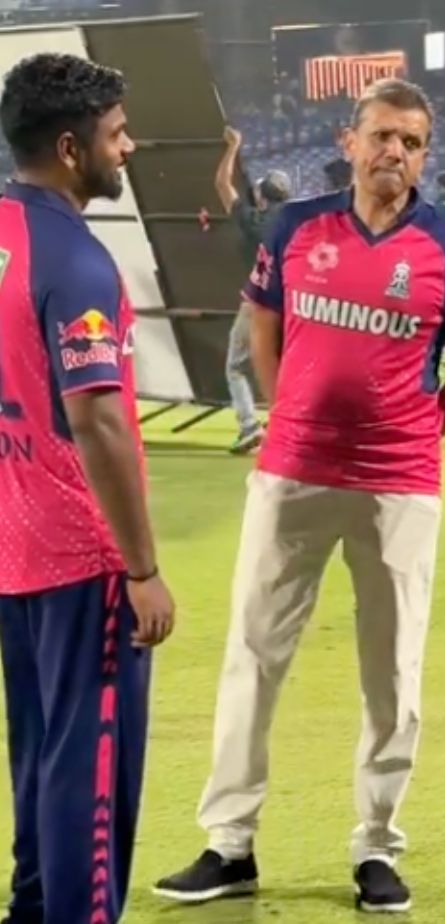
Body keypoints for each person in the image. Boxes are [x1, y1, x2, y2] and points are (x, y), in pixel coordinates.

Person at [152, 77, 445, 912]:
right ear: (349, 140)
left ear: (424, 154)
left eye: (412, 142)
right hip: (294, 474)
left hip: (399, 486)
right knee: (253, 656)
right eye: (383, 135)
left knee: (393, 674)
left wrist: (411, 435)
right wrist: (286, 420)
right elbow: (263, 331)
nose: (396, 153)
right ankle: (229, 844)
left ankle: (376, 847)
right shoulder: (294, 226)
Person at [0, 51, 176, 924]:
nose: (129, 148)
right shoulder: (74, 258)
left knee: (36, 750)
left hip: (14, 546)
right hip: (79, 554)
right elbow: (100, 419)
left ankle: (32, 909)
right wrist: (140, 567)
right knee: (88, 763)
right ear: (71, 148)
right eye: (115, 135)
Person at [213, 126, 287, 456]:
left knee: (236, 366)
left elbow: (222, 185)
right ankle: (287, 426)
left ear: (261, 195)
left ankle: (248, 427)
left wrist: (234, 147)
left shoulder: (251, 218)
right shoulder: (300, 223)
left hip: (258, 303)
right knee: (285, 366)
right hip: (295, 304)